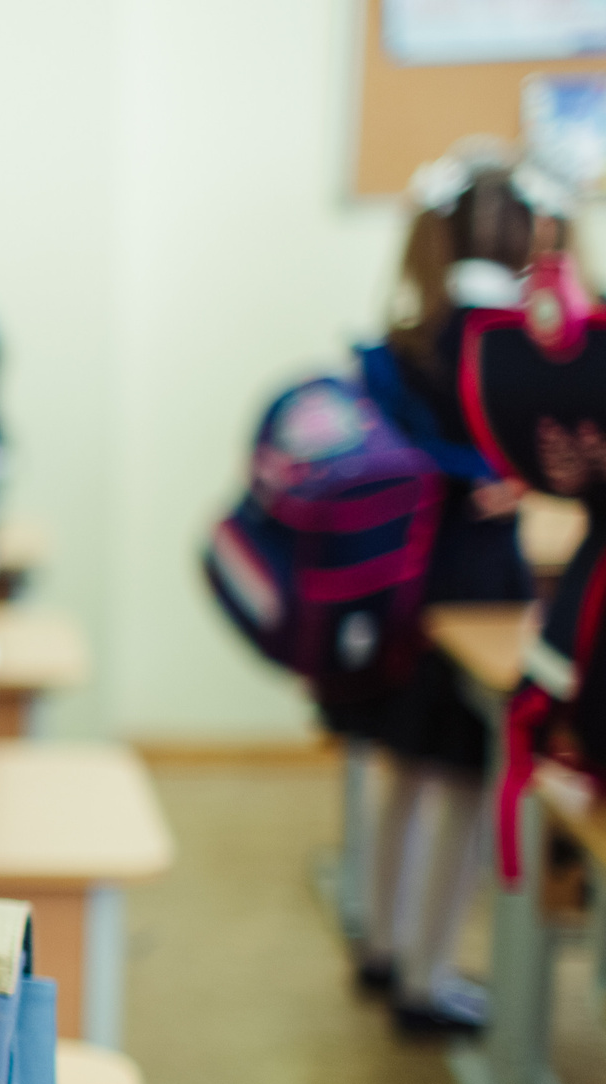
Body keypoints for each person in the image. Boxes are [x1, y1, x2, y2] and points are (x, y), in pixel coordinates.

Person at [340, 145, 566, 1033]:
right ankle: (429, 979)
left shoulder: (398, 345)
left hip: (397, 587)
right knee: (465, 786)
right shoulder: (519, 343)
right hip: (477, 587)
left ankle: (384, 947)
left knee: (402, 774)